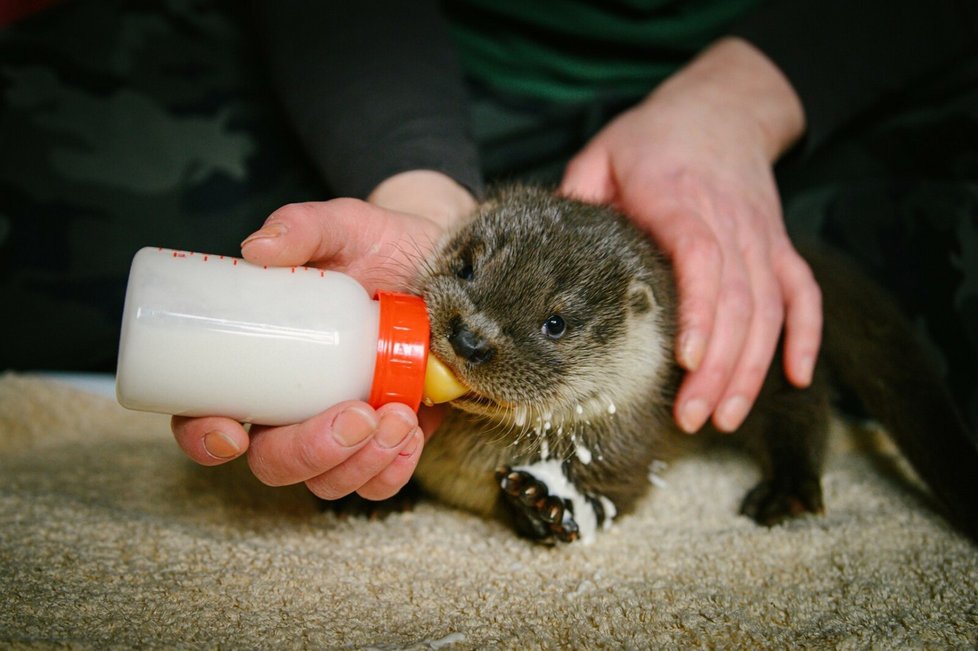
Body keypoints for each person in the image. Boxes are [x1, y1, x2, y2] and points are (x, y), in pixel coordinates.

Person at [3, 1, 977, 503]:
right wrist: (414, 188)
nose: (464, 335)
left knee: (856, 296)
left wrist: (741, 102)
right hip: (432, 73)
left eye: (544, 330)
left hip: (807, 94)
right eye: (464, 284)